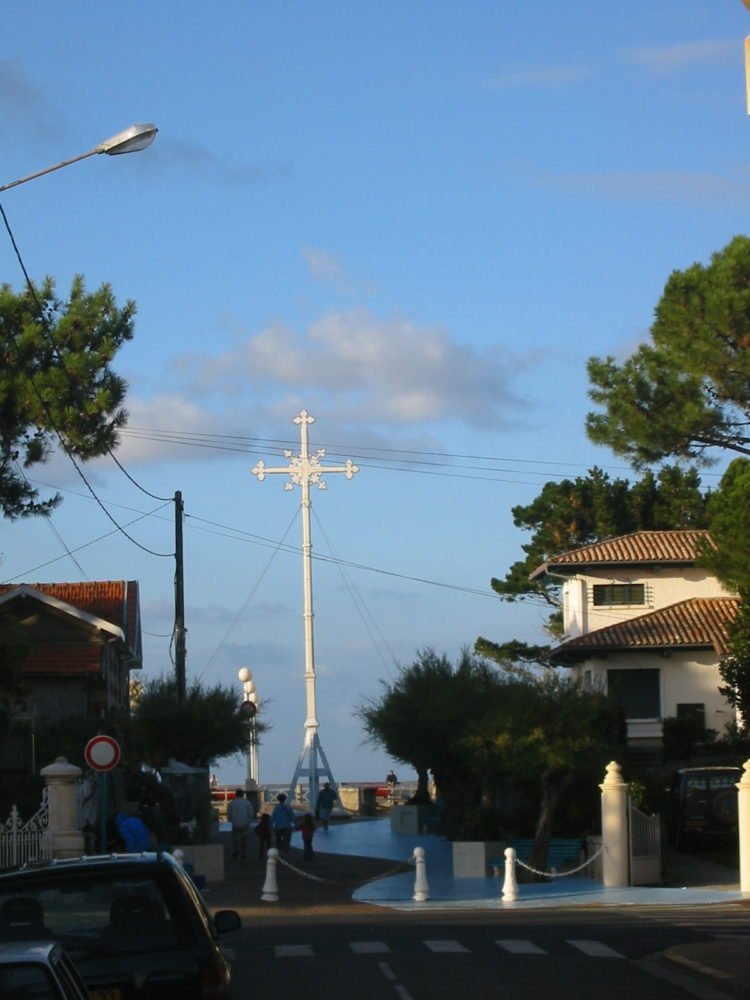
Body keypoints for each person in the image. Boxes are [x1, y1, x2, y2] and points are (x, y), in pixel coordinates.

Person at [227, 789, 254, 860]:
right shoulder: (247, 803)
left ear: (236, 794)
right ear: (243, 795)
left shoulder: (232, 803)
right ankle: (243, 853)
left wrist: (230, 820)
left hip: (235, 823)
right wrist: (248, 821)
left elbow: (229, 814)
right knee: (244, 838)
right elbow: (251, 814)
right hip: (244, 823)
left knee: (235, 838)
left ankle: (236, 849)